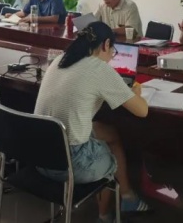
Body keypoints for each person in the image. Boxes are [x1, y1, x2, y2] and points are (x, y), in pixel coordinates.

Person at [35, 22, 150, 221]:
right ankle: (104, 216)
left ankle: (127, 195)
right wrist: (136, 92)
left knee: (110, 133)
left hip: (38, 153)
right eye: (113, 51)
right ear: (106, 44)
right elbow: (142, 111)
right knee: (111, 160)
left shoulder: (60, 59)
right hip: (69, 163)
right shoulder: (99, 69)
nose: (111, 57)